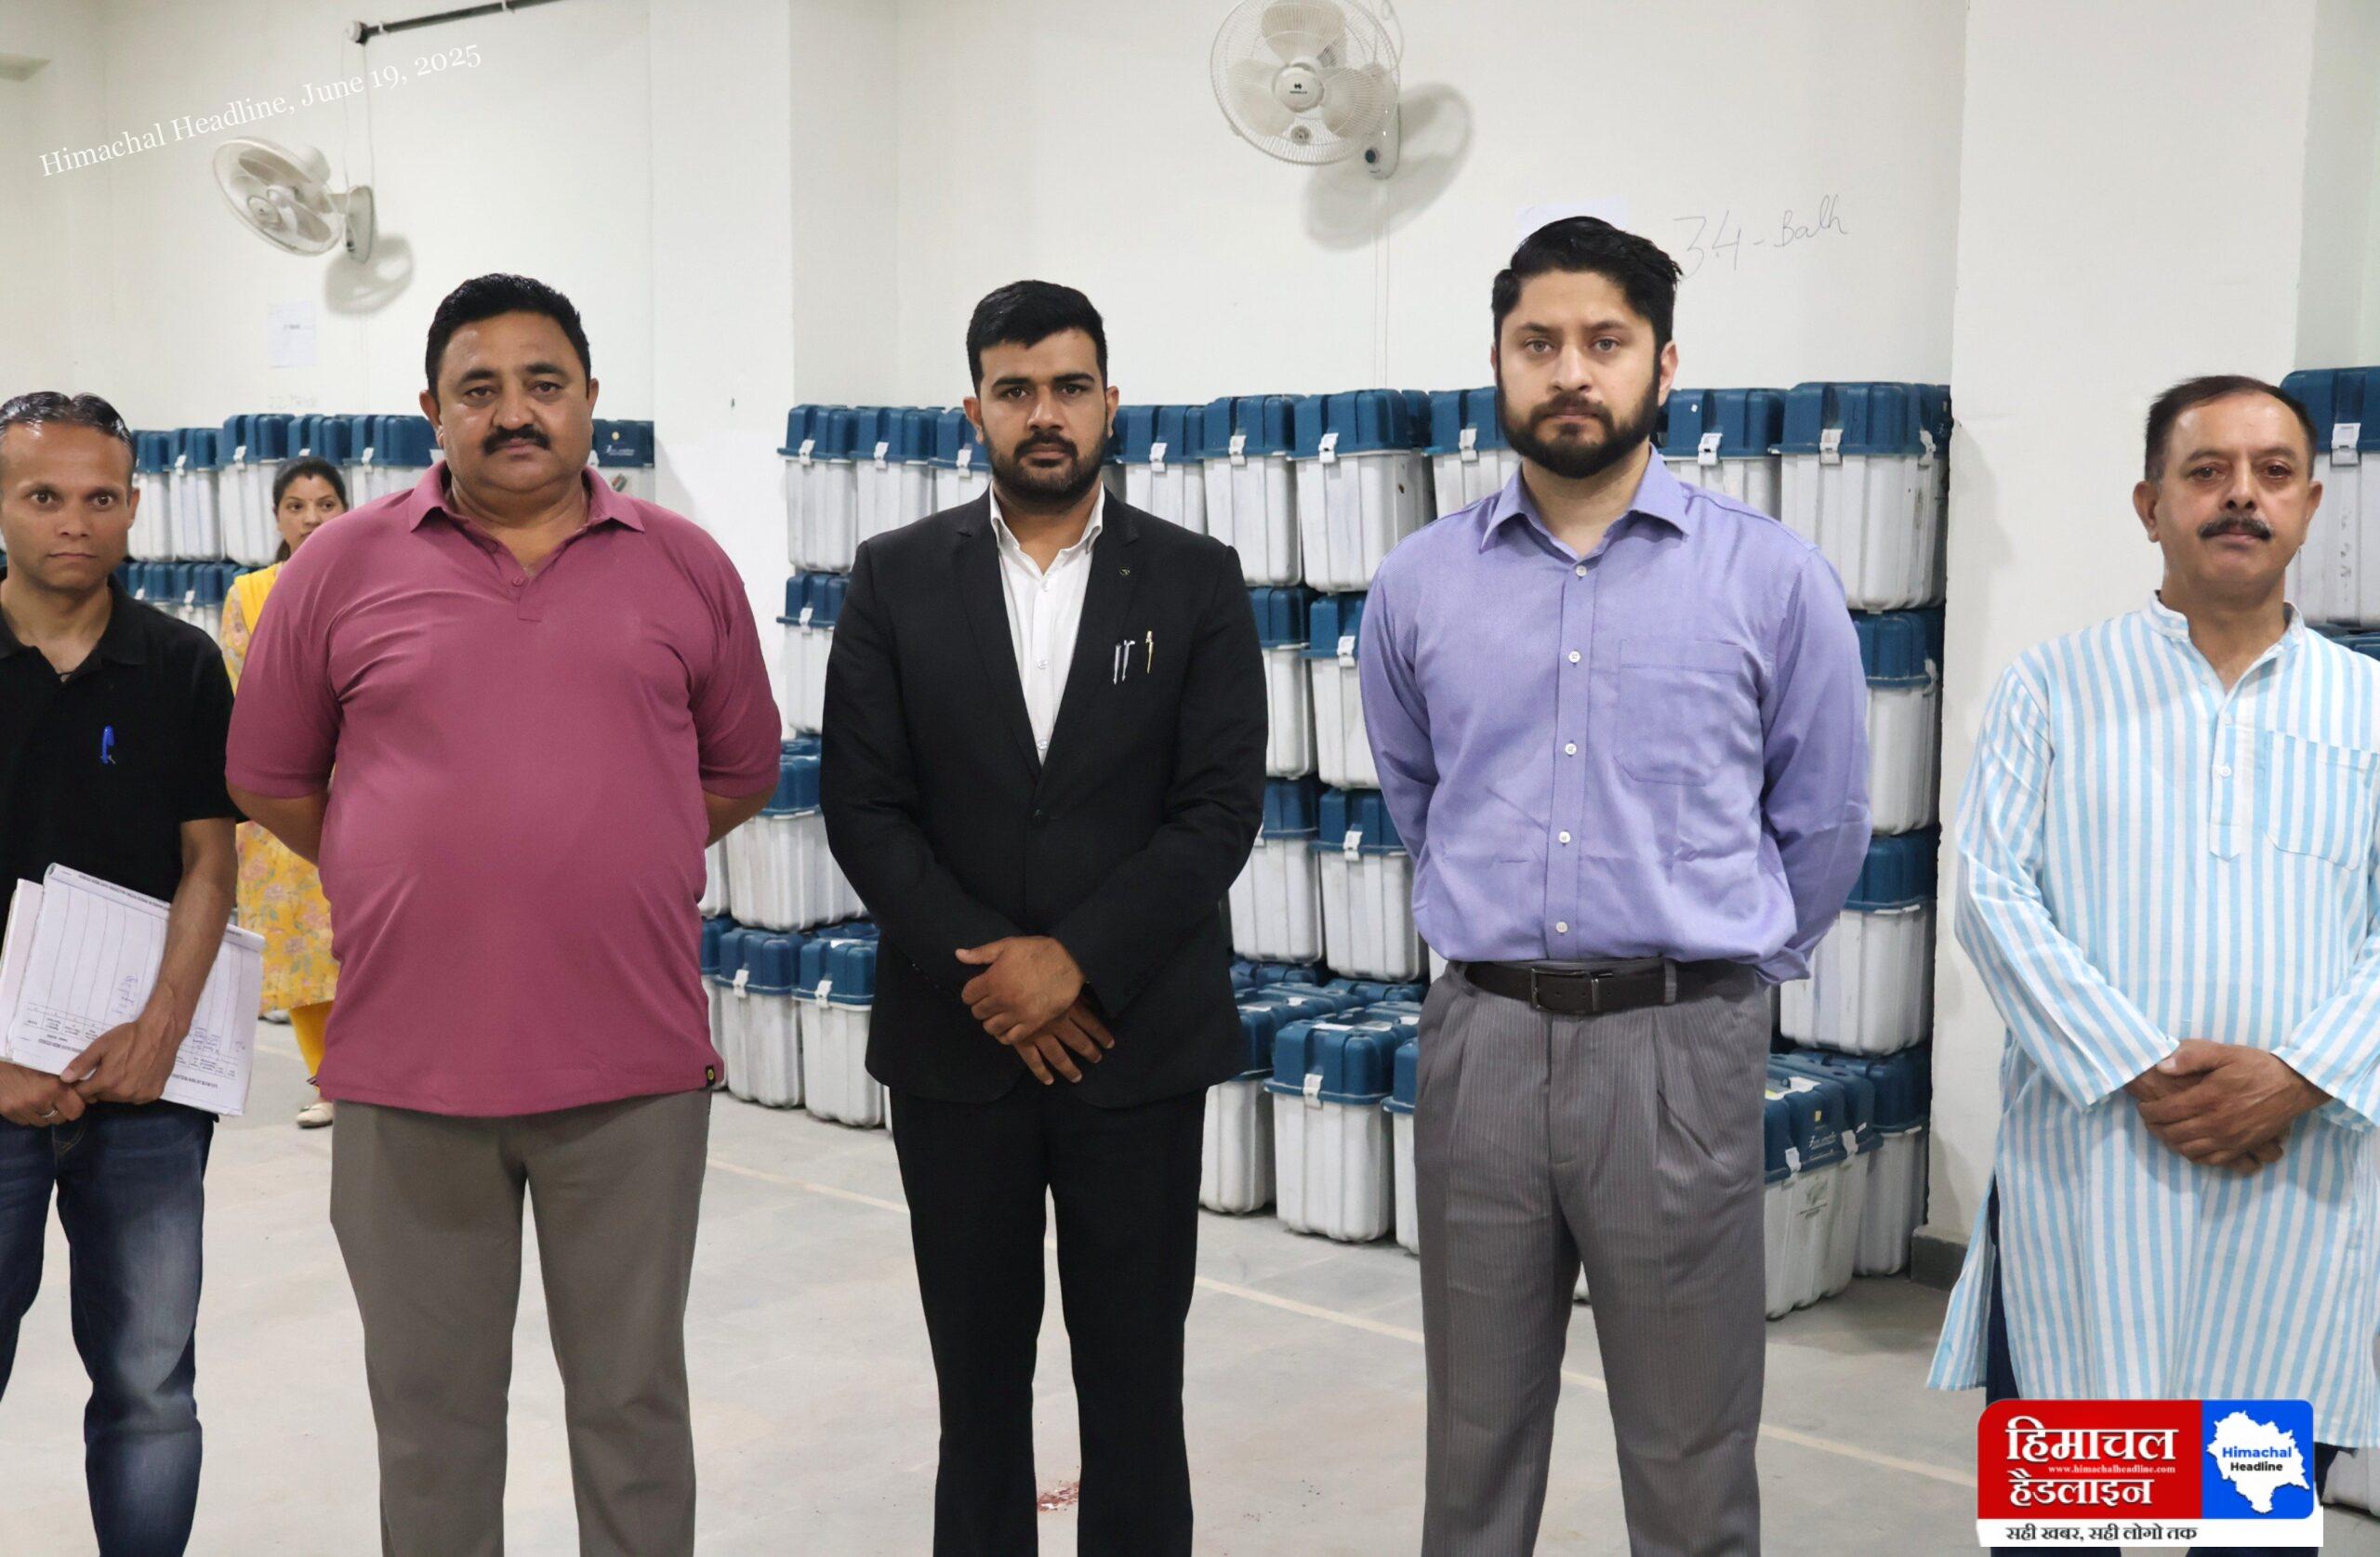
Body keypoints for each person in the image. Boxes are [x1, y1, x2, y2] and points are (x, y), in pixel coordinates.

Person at [225, 274, 782, 1557]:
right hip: (406, 1071)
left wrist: (618, 842)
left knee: (633, 1409)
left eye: (544, 385)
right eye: (479, 389)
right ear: (432, 410)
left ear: (591, 401)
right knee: (433, 1423)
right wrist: (392, 857)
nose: (514, 412)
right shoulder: (339, 567)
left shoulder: (684, 564)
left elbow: (739, 769)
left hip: (631, 1070)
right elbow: (269, 774)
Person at [1357, 217, 1872, 1556]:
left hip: (1678, 1045)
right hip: (1481, 1039)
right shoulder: (1418, 583)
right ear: (1497, 362)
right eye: (1538, 343)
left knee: (1690, 1442)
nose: (1571, 372)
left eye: (1605, 341)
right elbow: (1420, 795)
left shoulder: (1770, 578)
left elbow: (1823, 822)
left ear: (1664, 363)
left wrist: (1720, 978)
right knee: (1474, 1436)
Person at [821, 280, 1266, 1557]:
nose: (1045, 414)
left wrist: (1076, 962)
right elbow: (865, 805)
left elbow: (1217, 807)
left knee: (1136, 1385)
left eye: (1070, 387)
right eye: (1014, 390)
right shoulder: (896, 577)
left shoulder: (1193, 578)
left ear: (1111, 402)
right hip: (957, 1047)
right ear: (974, 410)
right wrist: (996, 974)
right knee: (976, 1393)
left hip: (1135, 1044)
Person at [1932, 375, 2380, 1557]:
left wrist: (2296, 1075)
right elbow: (1990, 894)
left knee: (2244, 1529)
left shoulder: (2368, 707)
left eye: (2272, 473)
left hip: (2289, 1191)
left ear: (2310, 504)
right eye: (2206, 471)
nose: (2241, 496)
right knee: (2080, 1534)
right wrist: (2140, 1067)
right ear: (2149, 505)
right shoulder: (2051, 686)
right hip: (2090, 1191)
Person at [0, 390, 239, 1557]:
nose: (75, 522)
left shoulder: (182, 665)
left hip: (147, 1088)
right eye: (44, 495)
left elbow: (210, 862)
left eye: (101, 497)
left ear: (136, 504)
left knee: (150, 1384)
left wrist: (160, 1031)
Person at [220, 456, 347, 1128]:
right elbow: (240, 692)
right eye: (296, 507)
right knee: (301, 948)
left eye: (326, 504)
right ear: (277, 518)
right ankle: (328, 1078)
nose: (312, 519)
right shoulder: (249, 594)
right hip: (285, 796)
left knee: (365, 938)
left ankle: (377, 1074)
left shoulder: (372, 581)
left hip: (362, 785)